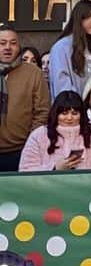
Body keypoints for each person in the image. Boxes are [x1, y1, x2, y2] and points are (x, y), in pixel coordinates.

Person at [19, 91, 91, 172]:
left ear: (81, 114)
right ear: (56, 113)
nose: (69, 118)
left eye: (74, 113)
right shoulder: (39, 135)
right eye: (64, 113)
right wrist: (54, 168)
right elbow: (26, 170)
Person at [0, 25, 49, 171]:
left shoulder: (33, 73)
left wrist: (31, 142)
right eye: (2, 43)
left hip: (21, 151)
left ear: (19, 45)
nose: (8, 47)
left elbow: (42, 111)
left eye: (13, 43)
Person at [48, 0, 91, 99]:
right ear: (81, 19)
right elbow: (61, 83)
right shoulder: (61, 47)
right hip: (74, 110)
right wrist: (75, 106)